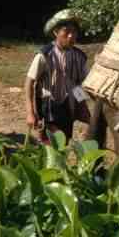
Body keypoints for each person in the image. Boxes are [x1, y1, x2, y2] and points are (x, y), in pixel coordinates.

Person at [25, 10, 90, 144]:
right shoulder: (44, 55)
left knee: (64, 142)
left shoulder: (79, 57)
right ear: (56, 32)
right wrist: (30, 112)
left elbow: (77, 84)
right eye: (66, 32)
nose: (71, 36)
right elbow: (29, 83)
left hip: (68, 107)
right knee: (50, 142)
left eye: (74, 32)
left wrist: (82, 106)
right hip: (48, 107)